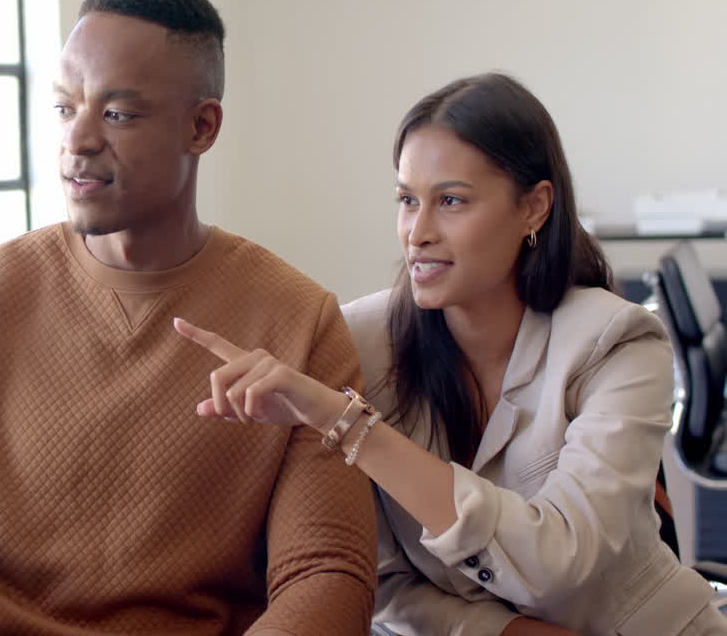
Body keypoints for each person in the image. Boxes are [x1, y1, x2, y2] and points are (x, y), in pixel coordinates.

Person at [0, 0, 377, 636]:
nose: (78, 139)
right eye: (66, 108)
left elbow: (327, 574)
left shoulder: (299, 321)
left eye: (118, 114)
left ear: (201, 127)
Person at [174, 72, 727, 635]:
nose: (418, 232)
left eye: (451, 201)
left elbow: (559, 560)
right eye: (407, 200)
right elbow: (375, 579)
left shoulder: (616, 341)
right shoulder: (358, 342)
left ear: (535, 207)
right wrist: (504, 633)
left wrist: (349, 424)